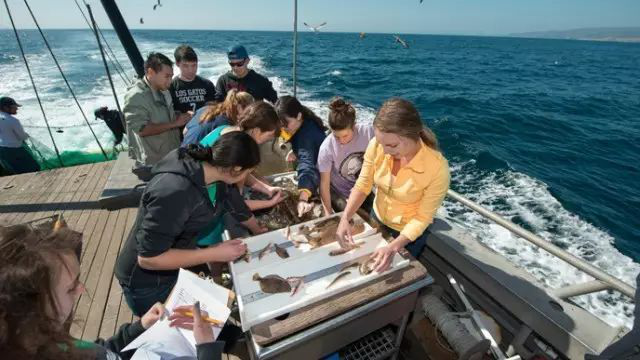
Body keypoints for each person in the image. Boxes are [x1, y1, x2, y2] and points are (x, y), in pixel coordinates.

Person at [0, 219, 224, 359]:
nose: (80, 289)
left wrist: (139, 328)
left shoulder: (49, 340)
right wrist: (206, 349)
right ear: (30, 308)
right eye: (70, 288)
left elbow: (102, 352)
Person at [115, 132, 258, 316]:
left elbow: (237, 206)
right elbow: (148, 258)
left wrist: (258, 229)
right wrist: (215, 252)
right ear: (236, 169)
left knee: (210, 314)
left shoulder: (218, 176)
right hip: (148, 282)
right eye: (248, 172)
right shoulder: (174, 191)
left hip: (181, 259)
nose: (247, 177)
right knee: (176, 334)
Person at [336, 98, 450, 273]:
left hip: (407, 235)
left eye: (392, 145)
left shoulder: (437, 168)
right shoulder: (377, 146)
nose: (386, 150)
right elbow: (363, 184)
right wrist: (345, 217)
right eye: (382, 144)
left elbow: (423, 218)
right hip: (377, 218)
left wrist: (394, 246)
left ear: (412, 135)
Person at [200, 101, 285, 238]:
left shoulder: (225, 130)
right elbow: (237, 204)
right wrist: (269, 204)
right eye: (269, 136)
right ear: (256, 131)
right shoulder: (238, 150)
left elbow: (241, 173)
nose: (268, 140)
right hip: (204, 210)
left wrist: (266, 188)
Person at [124, 52, 192, 181]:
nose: (170, 81)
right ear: (150, 72)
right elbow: (142, 129)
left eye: (171, 77)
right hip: (153, 163)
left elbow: (164, 115)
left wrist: (181, 116)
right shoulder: (136, 96)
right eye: (167, 76)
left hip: (170, 156)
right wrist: (175, 124)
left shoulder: (162, 90)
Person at [317, 97, 375, 216]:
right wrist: (328, 213)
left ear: (354, 126)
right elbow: (324, 184)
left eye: (345, 136)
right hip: (340, 193)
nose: (341, 141)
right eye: (336, 136)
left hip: (365, 187)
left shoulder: (369, 132)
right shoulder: (326, 148)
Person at [275, 96, 327, 217]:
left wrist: (303, 198)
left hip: (323, 173)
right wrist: (295, 151)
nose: (284, 129)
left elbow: (307, 164)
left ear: (298, 116)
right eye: (281, 125)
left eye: (286, 124)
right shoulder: (305, 120)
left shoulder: (307, 136)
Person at [182, 89, 254, 147]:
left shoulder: (205, 108)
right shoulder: (228, 125)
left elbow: (185, 131)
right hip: (195, 160)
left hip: (181, 153)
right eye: (248, 111)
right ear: (239, 107)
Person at [169, 45, 216, 113]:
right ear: (177, 64)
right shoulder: (171, 87)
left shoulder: (208, 85)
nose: (190, 70)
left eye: (194, 65)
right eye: (185, 66)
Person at [0, 96, 40, 174]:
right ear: (5, 108)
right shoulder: (13, 120)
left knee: (14, 171)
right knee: (34, 168)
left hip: (2, 150)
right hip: (15, 150)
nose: (17, 108)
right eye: (14, 106)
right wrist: (27, 135)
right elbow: (22, 136)